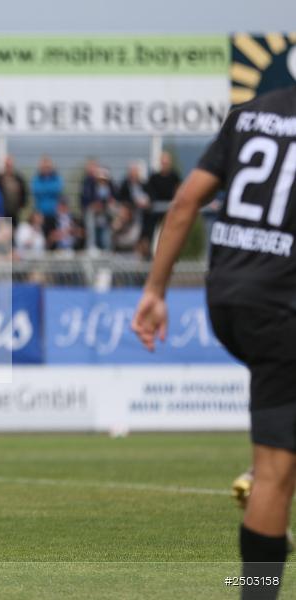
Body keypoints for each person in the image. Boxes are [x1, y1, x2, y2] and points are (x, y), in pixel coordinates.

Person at [131, 86, 296, 600]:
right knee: (276, 475)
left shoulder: (251, 114)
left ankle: (267, 487)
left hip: (227, 297)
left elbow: (183, 204)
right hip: (283, 307)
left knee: (276, 462)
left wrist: (156, 289)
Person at [144, 151, 182, 251]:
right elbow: (149, 192)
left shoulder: (175, 177)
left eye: (166, 162)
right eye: (163, 162)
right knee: (151, 232)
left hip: (170, 210)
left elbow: (179, 191)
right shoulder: (154, 177)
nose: (165, 164)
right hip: (155, 211)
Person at [31, 154, 63, 238]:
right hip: (41, 215)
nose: (46, 169)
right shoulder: (37, 178)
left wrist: (44, 188)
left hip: (54, 214)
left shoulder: (56, 178)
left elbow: (57, 189)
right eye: (44, 167)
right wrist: (49, 189)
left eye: (48, 166)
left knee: (54, 237)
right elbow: (36, 190)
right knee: (42, 238)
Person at [0, 154, 28, 227]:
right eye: (7, 165)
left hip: (15, 212)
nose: (8, 167)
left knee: (14, 232)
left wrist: (22, 206)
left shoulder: (19, 178)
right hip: (2, 212)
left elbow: (24, 193)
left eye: (10, 165)